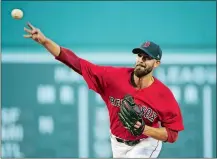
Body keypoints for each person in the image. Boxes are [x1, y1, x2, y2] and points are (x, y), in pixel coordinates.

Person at [24, 22, 184, 158]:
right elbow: (76, 63)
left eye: (147, 58)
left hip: (146, 142)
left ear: (156, 64)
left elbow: (172, 134)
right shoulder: (113, 78)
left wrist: (145, 129)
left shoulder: (163, 95)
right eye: (139, 56)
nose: (141, 60)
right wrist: (45, 42)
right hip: (117, 143)